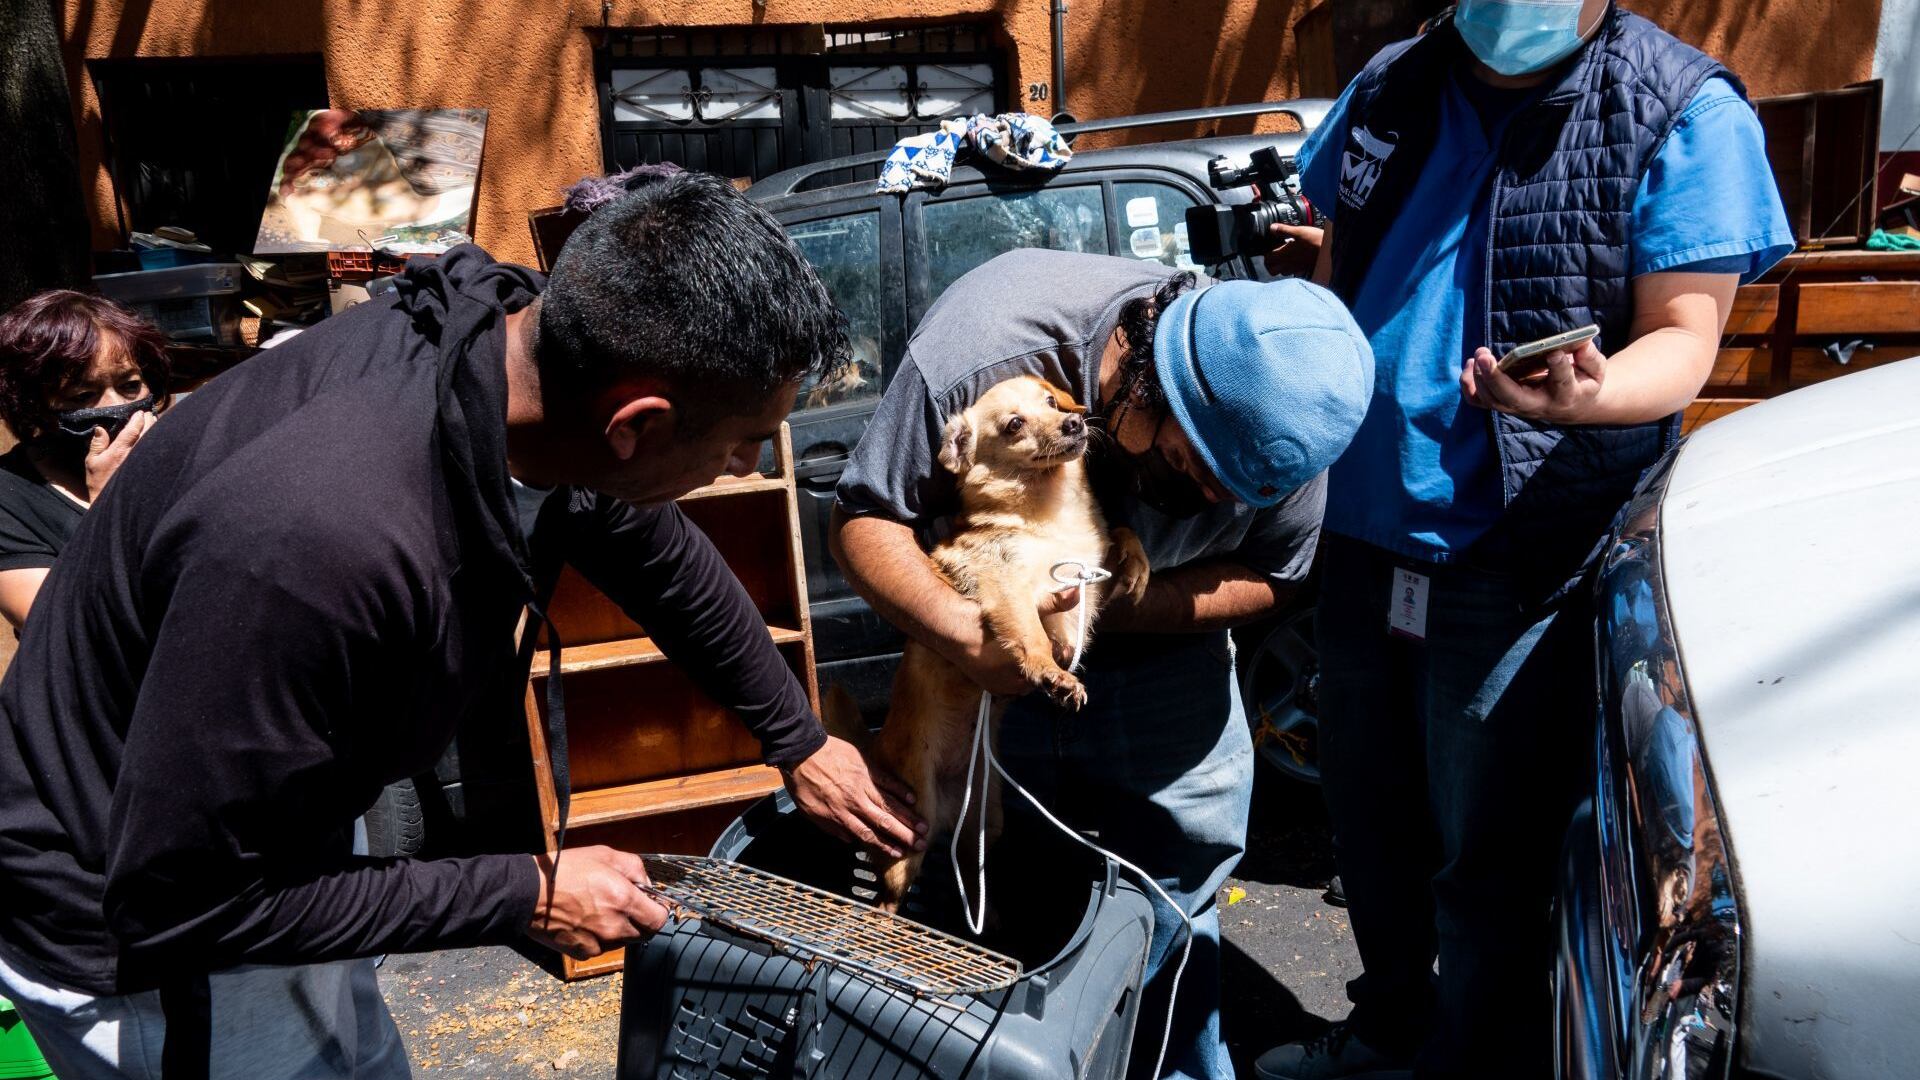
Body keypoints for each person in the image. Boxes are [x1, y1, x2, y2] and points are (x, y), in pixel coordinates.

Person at [0, 170, 925, 1079]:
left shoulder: (515, 349)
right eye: (739, 442)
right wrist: (522, 891)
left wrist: (798, 741)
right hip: (142, 930)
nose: (746, 465)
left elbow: (656, 552)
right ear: (634, 425)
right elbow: (180, 903)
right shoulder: (320, 541)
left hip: (273, 838)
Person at [1252, 2, 1792, 1078]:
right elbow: (1341, 244)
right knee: (1370, 822)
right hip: (1364, 533)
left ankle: (1475, 1060)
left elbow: (1684, 340)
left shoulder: (1681, 109)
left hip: (1517, 548)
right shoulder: (1395, 80)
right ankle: (1388, 1028)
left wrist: (1584, 401)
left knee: (1489, 862)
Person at [832, 248, 1373, 1080]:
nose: (1211, 503)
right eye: (1189, 471)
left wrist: (1111, 607)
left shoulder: (1291, 418)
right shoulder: (988, 343)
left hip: (1171, 665)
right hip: (980, 678)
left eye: (1240, 494)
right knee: (993, 920)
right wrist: (971, 634)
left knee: (1173, 920)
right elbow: (866, 515)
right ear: (1133, 383)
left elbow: (1276, 575)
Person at [0, 290, 166, 628]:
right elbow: (57, 629)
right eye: (83, 395)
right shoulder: (9, 498)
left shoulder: (184, 455)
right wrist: (112, 503)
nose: (114, 407)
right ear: (34, 407)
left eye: (131, 385)